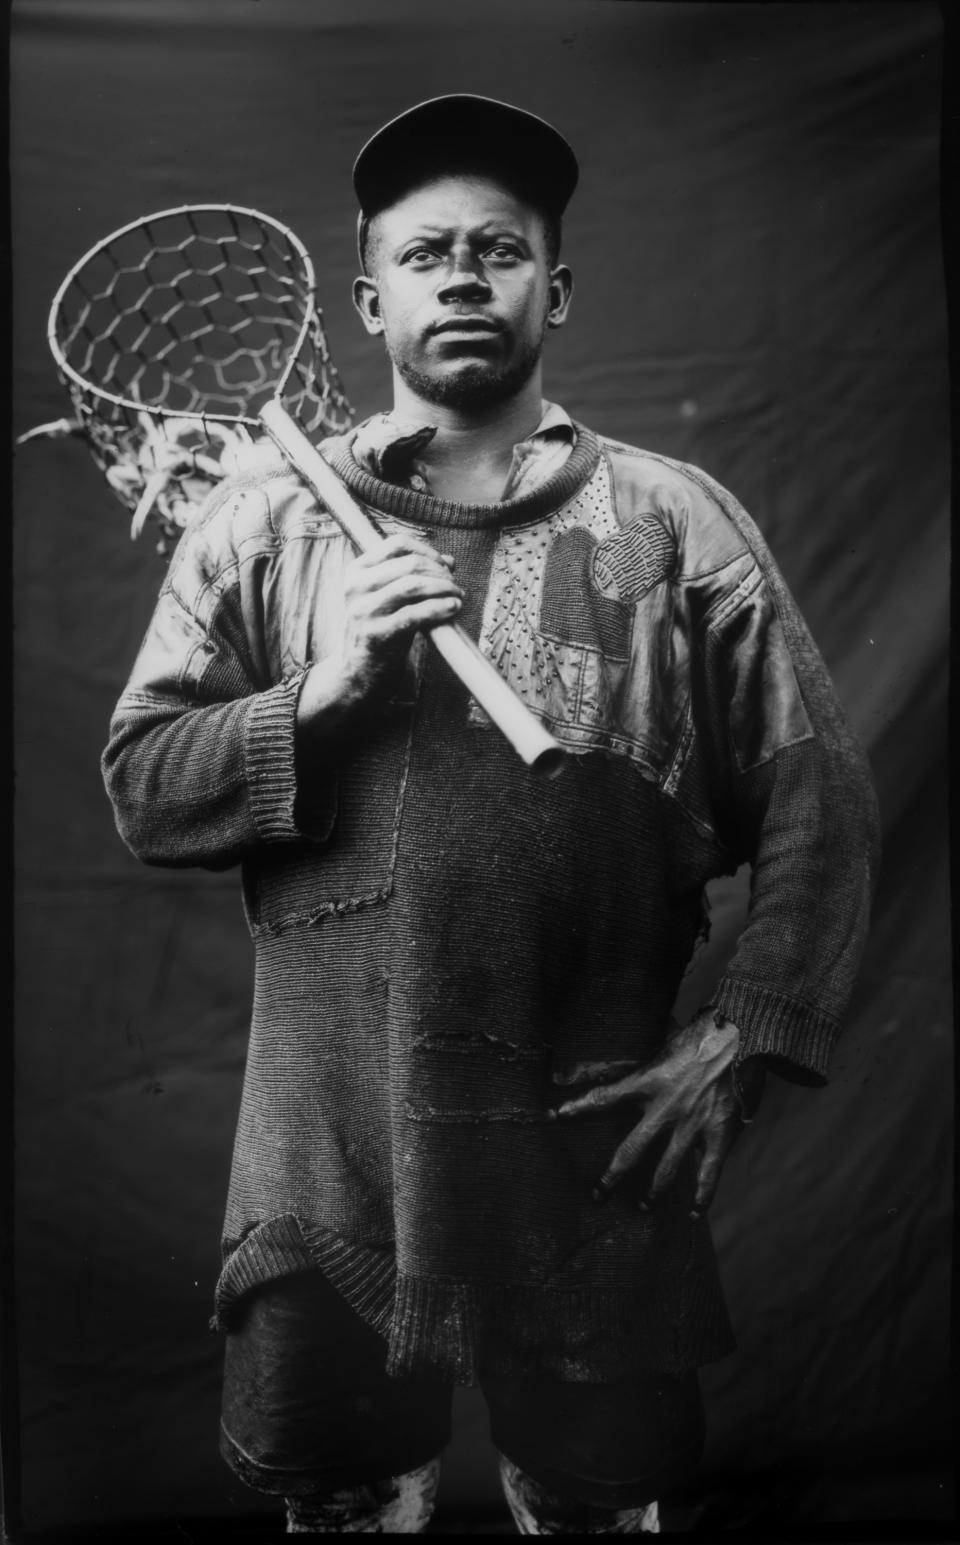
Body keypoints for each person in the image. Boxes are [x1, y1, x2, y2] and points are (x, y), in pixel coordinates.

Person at [102, 95, 880, 1535]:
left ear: (556, 287)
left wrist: (745, 1034)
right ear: (369, 296)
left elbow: (819, 791)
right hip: (327, 1148)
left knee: (595, 1507)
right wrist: (324, 692)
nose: (464, 274)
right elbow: (145, 778)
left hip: (585, 1150)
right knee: (340, 1502)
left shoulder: (674, 519)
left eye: (501, 248)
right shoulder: (265, 519)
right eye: (428, 252)